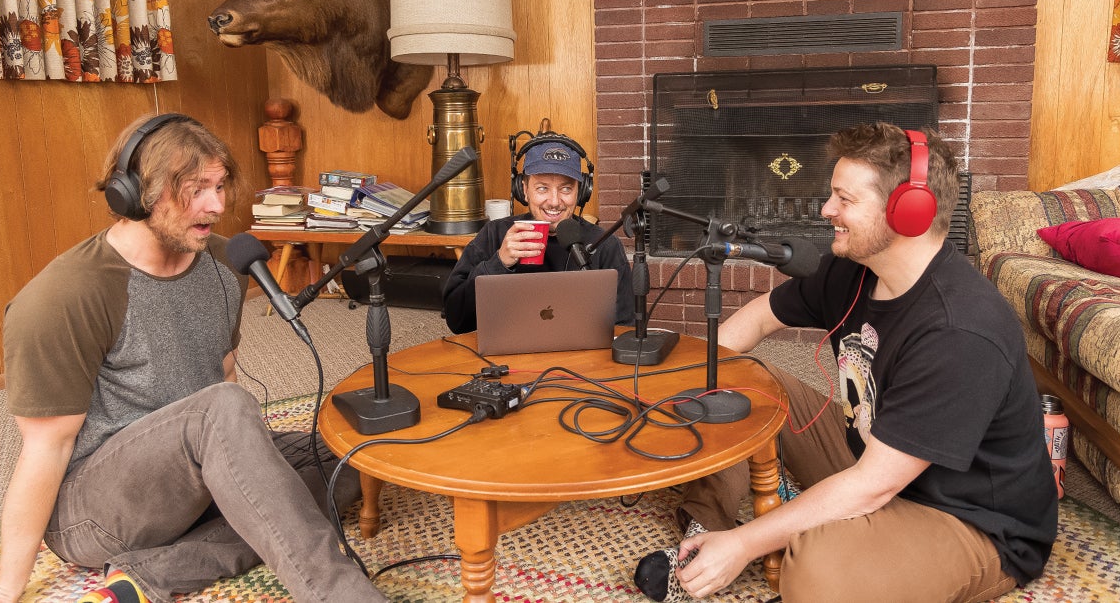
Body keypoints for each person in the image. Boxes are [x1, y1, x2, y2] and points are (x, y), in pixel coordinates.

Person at [633, 122, 1057, 602]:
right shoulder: (853, 269)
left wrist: (746, 544)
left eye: (844, 199)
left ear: (910, 213)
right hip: (872, 455)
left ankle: (755, 548)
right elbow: (759, 316)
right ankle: (704, 531)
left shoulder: (960, 329)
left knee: (817, 570)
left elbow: (872, 487)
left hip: (968, 519)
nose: (825, 210)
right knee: (740, 383)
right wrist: (685, 379)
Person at [0, 114, 386, 603]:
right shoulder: (64, 297)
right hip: (94, 509)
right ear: (133, 194)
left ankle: (156, 575)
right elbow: (46, 450)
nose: (215, 206)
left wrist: (245, 470)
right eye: (194, 190)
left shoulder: (224, 262)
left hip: (193, 468)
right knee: (224, 409)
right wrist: (5, 587)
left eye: (218, 186)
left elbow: (223, 370)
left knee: (356, 461)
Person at [442, 137, 633, 334]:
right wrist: (499, 262)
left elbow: (624, 328)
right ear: (524, 190)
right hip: (507, 360)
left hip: (580, 361)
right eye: (542, 188)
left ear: (581, 192)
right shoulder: (495, 234)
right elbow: (456, 320)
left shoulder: (605, 245)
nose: (554, 201)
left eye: (566, 188)